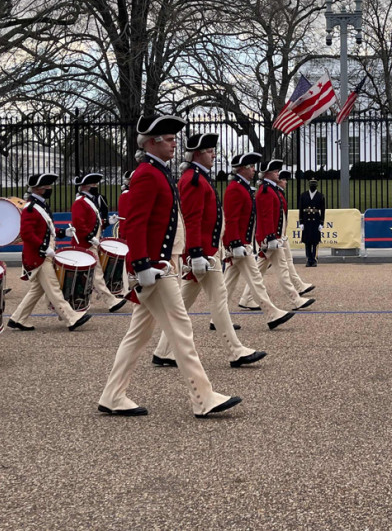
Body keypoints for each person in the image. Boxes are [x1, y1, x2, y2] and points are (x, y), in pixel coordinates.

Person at [98, 113, 241, 418]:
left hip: (160, 264)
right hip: (154, 266)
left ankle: (112, 395)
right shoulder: (147, 174)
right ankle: (202, 398)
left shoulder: (158, 172)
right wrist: (140, 264)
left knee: (137, 337)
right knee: (181, 328)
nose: (177, 143)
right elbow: (135, 224)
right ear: (153, 141)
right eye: (171, 139)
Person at [150, 131, 266, 368]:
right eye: (210, 152)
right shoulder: (193, 180)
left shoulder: (198, 177)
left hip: (204, 250)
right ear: (198, 154)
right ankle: (235, 351)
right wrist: (195, 253)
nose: (214, 155)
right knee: (219, 299)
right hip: (201, 252)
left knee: (184, 302)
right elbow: (192, 219)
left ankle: (163, 351)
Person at [6, 173, 93, 332]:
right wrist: (44, 248)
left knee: (36, 290)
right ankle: (71, 318)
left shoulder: (40, 205)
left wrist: (63, 232)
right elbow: (27, 234)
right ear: (38, 189)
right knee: (53, 287)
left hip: (43, 253)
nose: (50, 190)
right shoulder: (30, 208)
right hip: (38, 255)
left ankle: (17, 318)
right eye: (47, 188)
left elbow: (46, 229)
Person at [222, 152, 295, 330]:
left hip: (242, 243)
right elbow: (231, 219)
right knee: (255, 279)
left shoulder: (242, 187)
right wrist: (235, 243)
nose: (255, 170)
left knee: (227, 284)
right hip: (239, 244)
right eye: (252, 167)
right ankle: (271, 313)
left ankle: (217, 318)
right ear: (243, 168)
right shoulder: (235, 188)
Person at [235, 159, 314, 311]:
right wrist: (271, 237)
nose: (278, 173)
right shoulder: (266, 190)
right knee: (281, 269)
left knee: (260, 270)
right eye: (275, 171)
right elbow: (266, 217)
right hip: (269, 238)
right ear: (267, 174)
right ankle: (296, 299)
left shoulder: (270, 189)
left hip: (273, 237)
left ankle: (247, 298)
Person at [70, 172, 122, 306]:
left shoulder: (88, 201)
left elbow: (94, 223)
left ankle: (71, 304)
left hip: (90, 242)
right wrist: (90, 237)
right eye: (93, 184)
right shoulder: (80, 202)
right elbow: (79, 224)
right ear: (85, 187)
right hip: (85, 243)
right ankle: (110, 301)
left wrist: (108, 222)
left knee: (88, 275)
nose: (96, 186)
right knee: (97, 274)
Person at [277, 169, 314, 297]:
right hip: (275, 237)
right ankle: (247, 297)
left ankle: (298, 285)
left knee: (288, 260)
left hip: (281, 236)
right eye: (283, 180)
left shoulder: (279, 193)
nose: (286, 182)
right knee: (259, 268)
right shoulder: (274, 194)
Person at [107, 170, 134, 312]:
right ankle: (124, 288)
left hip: (133, 231)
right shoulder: (126, 194)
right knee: (125, 262)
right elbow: (125, 216)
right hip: (129, 231)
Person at [298, 174, 326, 267]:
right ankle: (308, 259)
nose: (312, 186)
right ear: (309, 185)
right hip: (306, 220)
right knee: (307, 241)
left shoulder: (320, 196)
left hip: (316, 221)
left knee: (315, 241)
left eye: (314, 184)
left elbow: (323, 210)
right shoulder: (304, 195)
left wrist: (322, 222)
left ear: (316, 185)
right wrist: (301, 222)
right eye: (311, 184)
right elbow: (301, 209)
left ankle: (314, 259)